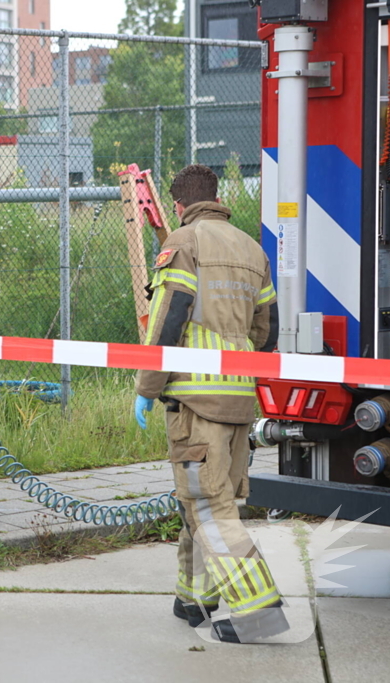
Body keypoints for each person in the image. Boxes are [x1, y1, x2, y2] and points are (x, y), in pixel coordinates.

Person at [133, 164, 285, 644]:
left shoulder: (184, 242)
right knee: (201, 502)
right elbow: (267, 331)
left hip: (197, 401)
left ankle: (258, 612)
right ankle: (194, 599)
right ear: (216, 200)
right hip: (239, 401)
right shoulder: (253, 249)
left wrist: (147, 387)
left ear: (179, 205)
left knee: (209, 506)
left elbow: (168, 318)